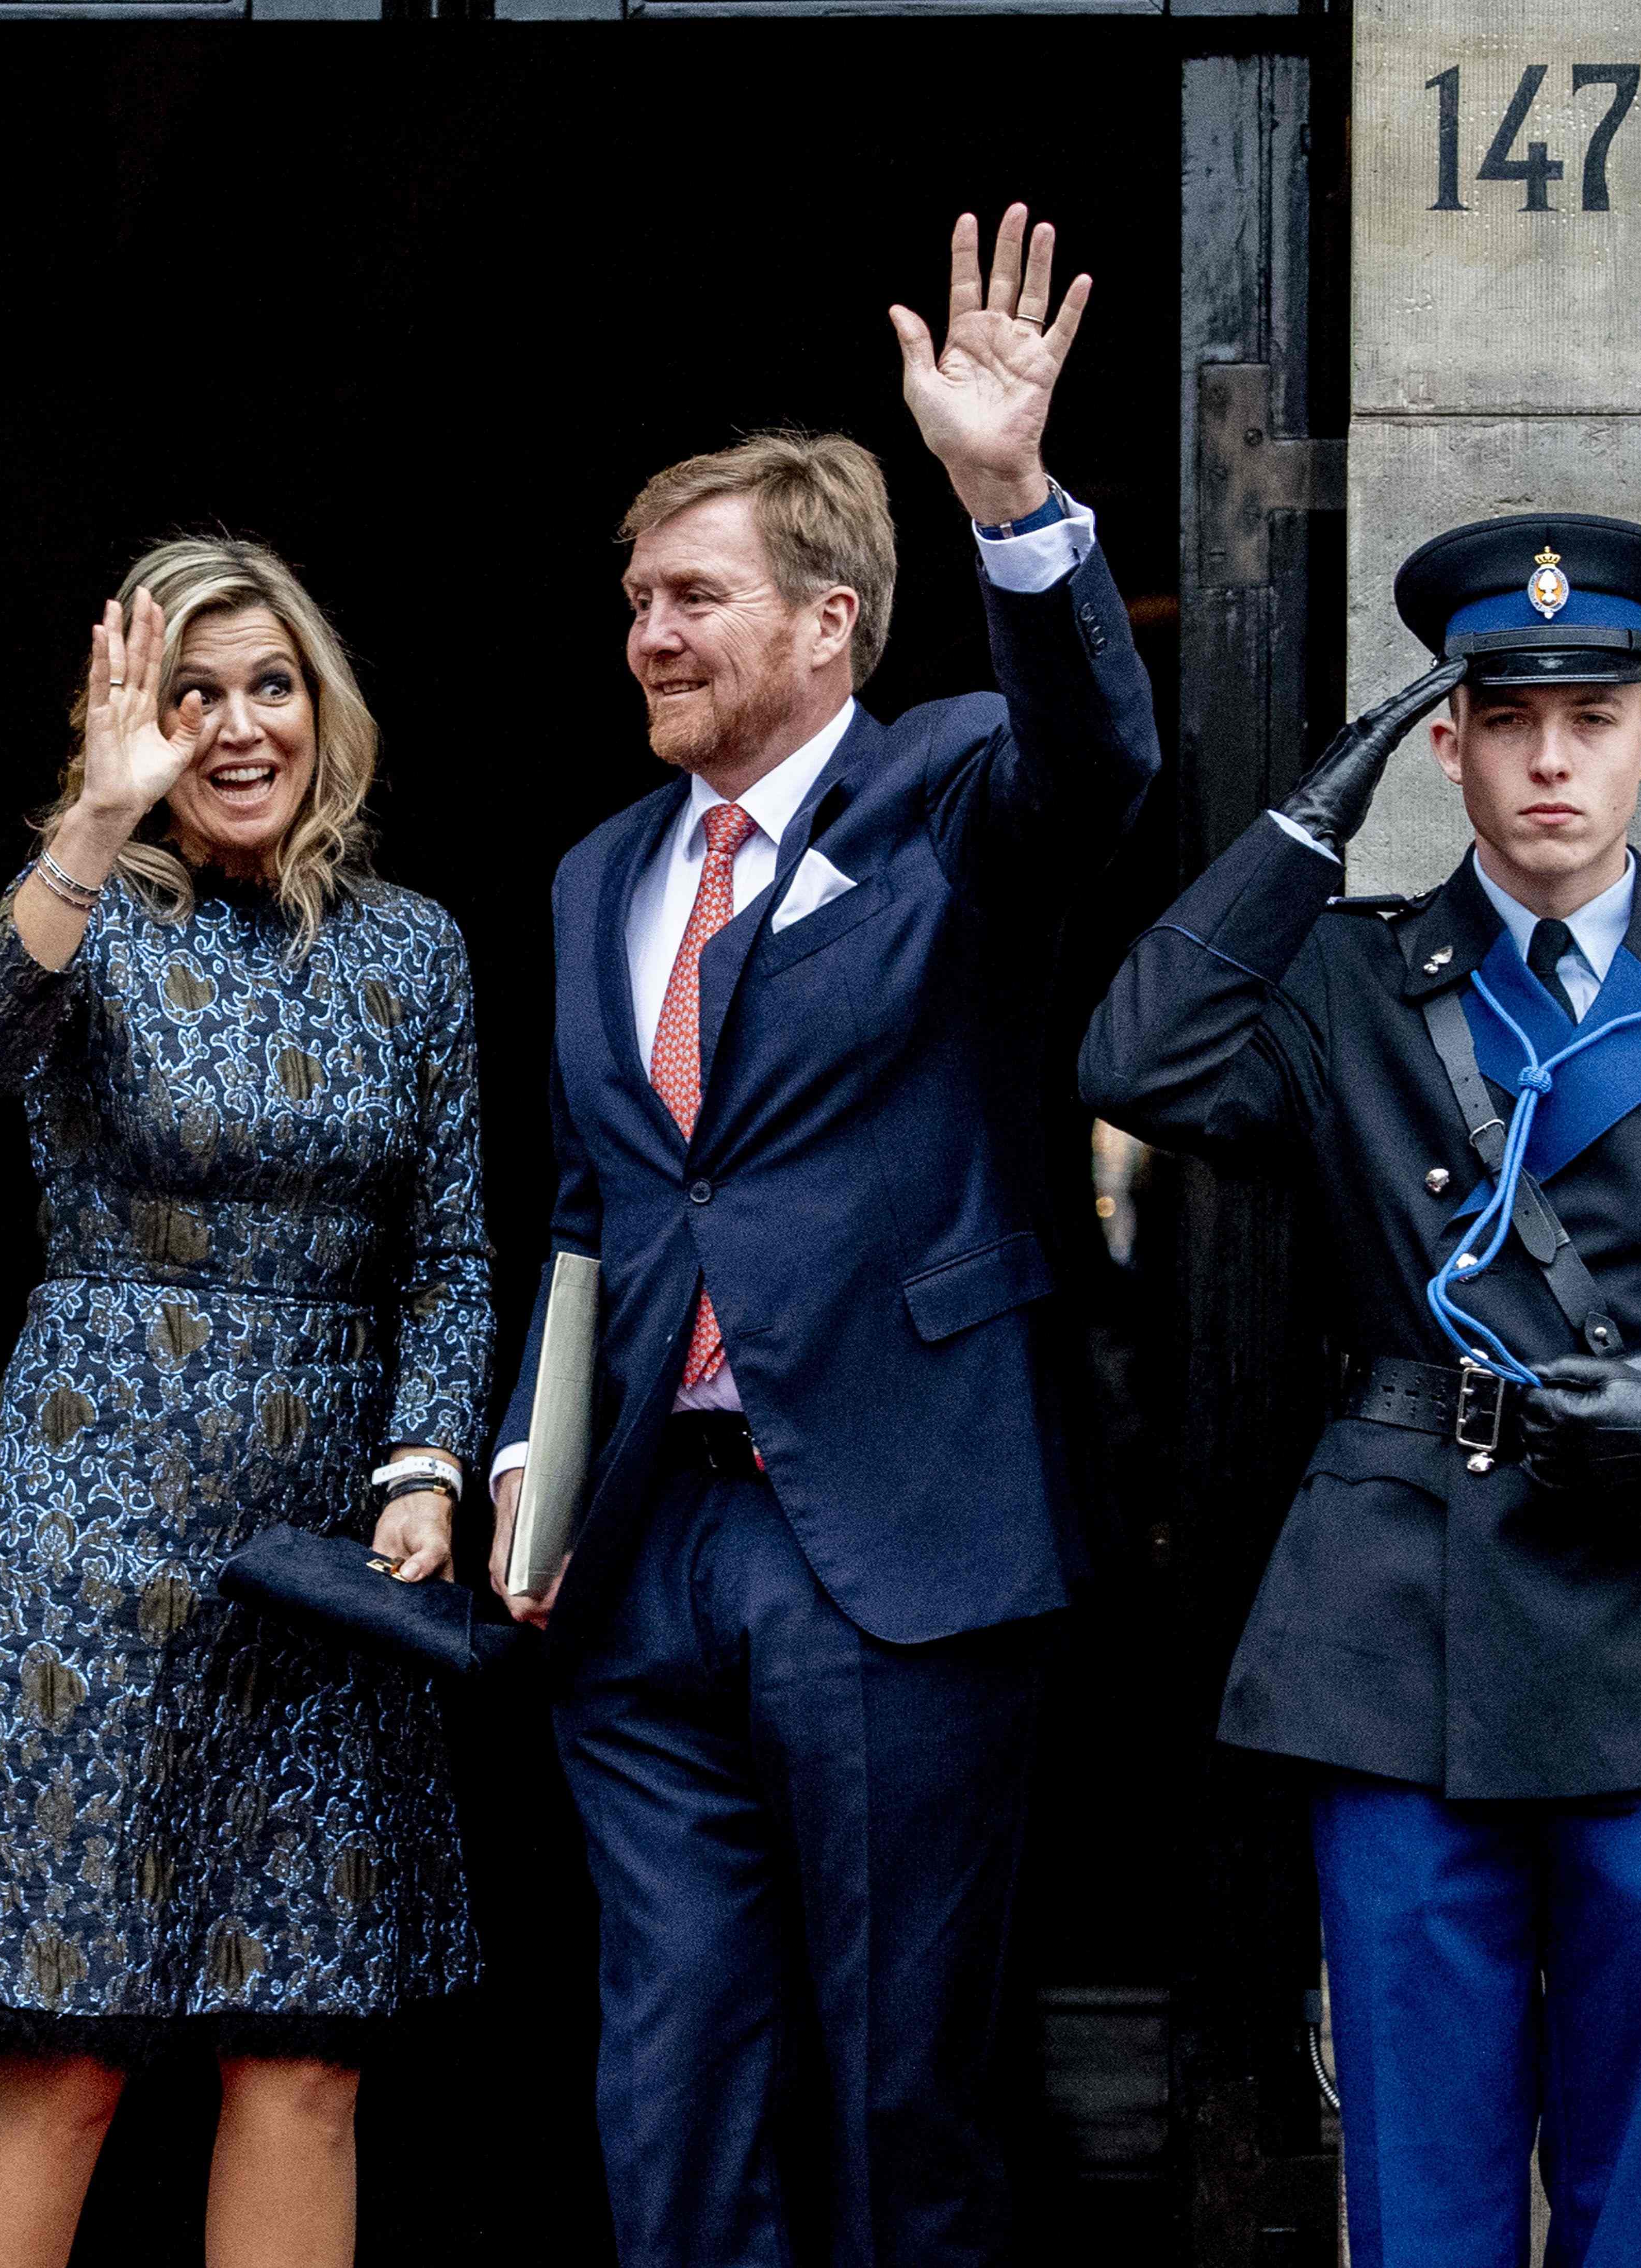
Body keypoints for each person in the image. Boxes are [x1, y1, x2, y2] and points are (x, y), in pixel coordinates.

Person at [1078, 513, 1641, 2267]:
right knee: (1422, 2202)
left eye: (1593, 715)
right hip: (1403, 1644)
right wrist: (1306, 820)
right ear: (1449, 740)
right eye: (1505, 716)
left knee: (1638, 2206)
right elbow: (1135, 1058)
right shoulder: (1339, 983)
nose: (1551, 757)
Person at [479, 207, 1161, 2264]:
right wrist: (535, 1437)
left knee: (892, 2089)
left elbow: (1096, 762)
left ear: (826, 623)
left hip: (890, 1535)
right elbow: (601, 1197)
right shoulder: (598, 870)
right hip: (641, 1563)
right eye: (631, 604)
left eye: (691, 597)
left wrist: (1008, 495)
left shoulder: (948, 787)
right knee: (667, 2081)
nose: (647, 635)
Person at [0, 537, 491, 2268]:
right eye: (194, 695)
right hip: (95, 1513)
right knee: (66, 2036)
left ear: (321, 707)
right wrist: (94, 820)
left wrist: (424, 1468)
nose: (236, 727)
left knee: (304, 2040)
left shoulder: (413, 950)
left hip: (329, 1545)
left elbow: (452, 1252)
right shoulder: (90, 906)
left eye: (269, 686)